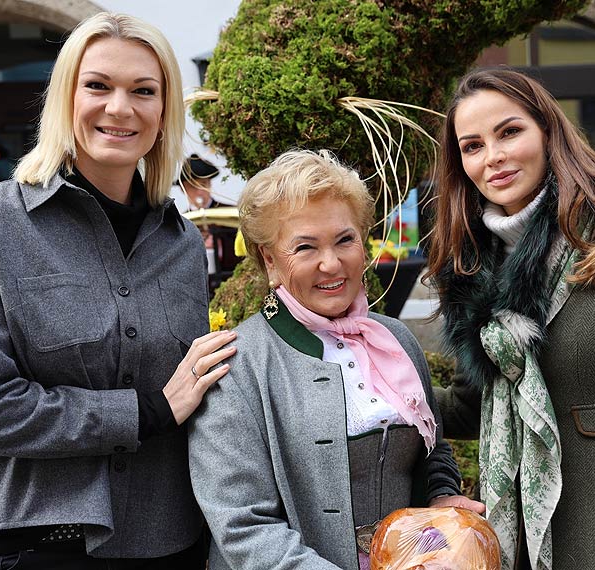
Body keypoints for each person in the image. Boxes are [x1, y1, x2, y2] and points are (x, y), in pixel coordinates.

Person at [0, 12, 236, 569]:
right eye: (97, 86)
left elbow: (194, 390)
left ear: (164, 112)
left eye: (144, 90)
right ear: (65, 97)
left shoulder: (183, 243)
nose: (120, 108)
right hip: (35, 544)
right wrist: (143, 414)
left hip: (169, 543)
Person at [426, 67, 595, 570]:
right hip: (528, 545)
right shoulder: (470, 267)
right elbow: (470, 409)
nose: (494, 157)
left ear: (548, 131)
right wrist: (363, 372)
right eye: (472, 146)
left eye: (510, 132)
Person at [188, 149, 484, 570]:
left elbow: (432, 451)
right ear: (269, 260)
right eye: (305, 247)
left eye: (345, 239)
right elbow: (242, 527)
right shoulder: (237, 366)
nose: (331, 263)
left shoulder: (394, 340)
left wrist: (441, 498)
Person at [178, 153, 240, 288]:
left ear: (210, 184)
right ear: (184, 189)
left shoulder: (229, 212)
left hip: (231, 281)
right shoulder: (180, 222)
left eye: (203, 184)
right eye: (193, 186)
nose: (200, 191)